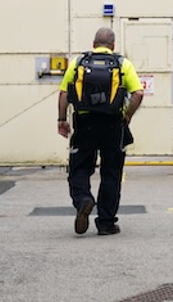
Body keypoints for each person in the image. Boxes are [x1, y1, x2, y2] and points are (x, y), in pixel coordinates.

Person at [57, 27, 144, 236]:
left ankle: (83, 200)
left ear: (93, 44)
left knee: (78, 168)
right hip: (113, 124)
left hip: (84, 121)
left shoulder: (78, 63)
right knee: (111, 172)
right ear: (113, 46)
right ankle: (106, 223)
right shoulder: (122, 64)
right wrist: (127, 114)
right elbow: (138, 93)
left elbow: (63, 93)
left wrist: (62, 119)